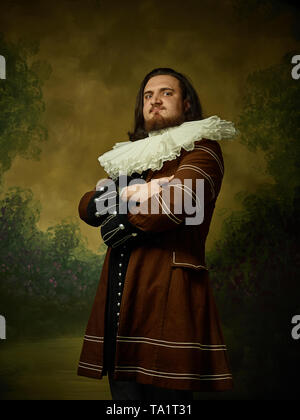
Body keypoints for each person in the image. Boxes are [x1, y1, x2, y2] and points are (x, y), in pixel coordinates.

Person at [77, 68, 236, 400]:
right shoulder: (136, 159)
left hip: (170, 296)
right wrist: (144, 189)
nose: (155, 101)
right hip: (120, 303)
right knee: (125, 403)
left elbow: (175, 205)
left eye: (166, 93)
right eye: (148, 96)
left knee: (169, 405)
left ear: (187, 104)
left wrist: (121, 196)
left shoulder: (202, 149)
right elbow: (87, 207)